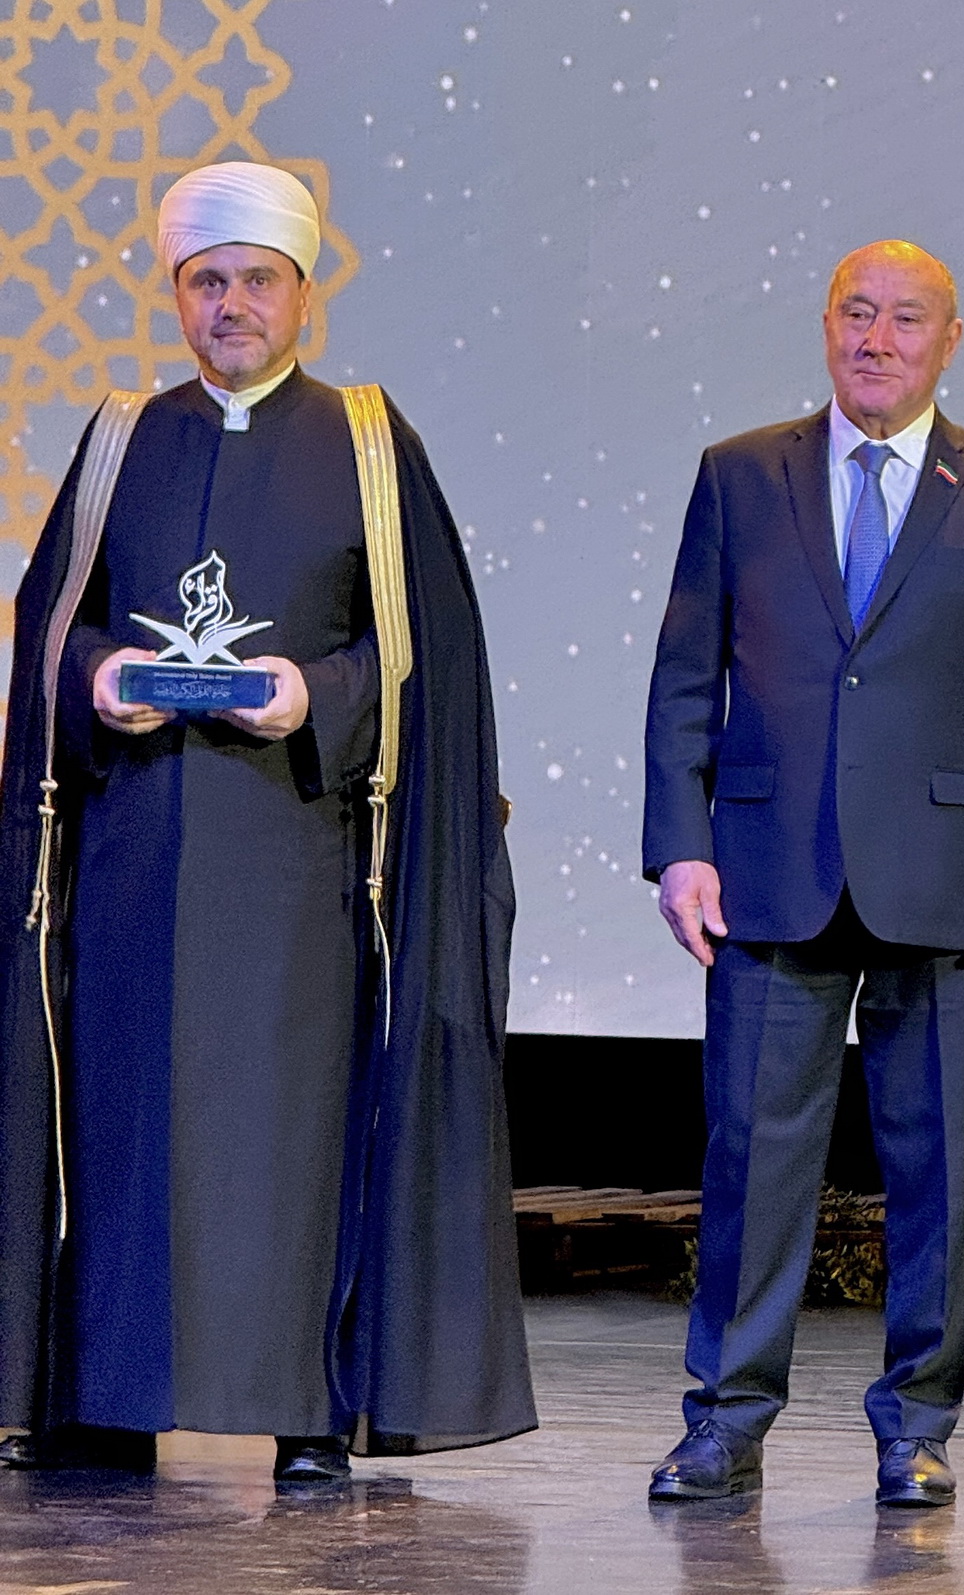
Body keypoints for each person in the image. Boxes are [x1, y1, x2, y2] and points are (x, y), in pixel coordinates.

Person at [0, 162, 534, 1485]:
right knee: (125, 1136)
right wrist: (98, 678)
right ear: (177, 293)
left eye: (254, 279)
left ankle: (304, 1408)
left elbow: (424, 661)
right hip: (134, 859)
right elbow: (53, 627)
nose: (229, 304)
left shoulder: (367, 441)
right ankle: (112, 1399)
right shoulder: (124, 435)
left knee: (287, 1143)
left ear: (304, 290)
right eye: (206, 281)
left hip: (298, 865)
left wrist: (316, 694)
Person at [642, 240, 964, 1509]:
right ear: (826, 326)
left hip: (944, 883)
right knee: (750, 1161)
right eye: (855, 313)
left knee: (935, 1171)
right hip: (767, 870)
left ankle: (918, 1425)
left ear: (950, 340)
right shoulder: (740, 474)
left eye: (905, 319)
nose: (876, 339)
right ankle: (724, 1420)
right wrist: (680, 842)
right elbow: (683, 678)